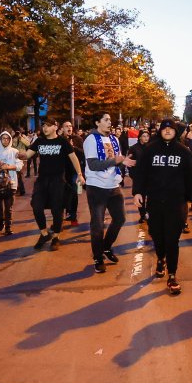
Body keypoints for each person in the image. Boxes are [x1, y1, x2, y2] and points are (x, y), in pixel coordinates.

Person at [132, 118, 192, 295]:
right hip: (154, 201)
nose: (168, 131)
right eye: (165, 129)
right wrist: (137, 192)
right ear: (160, 131)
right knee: (157, 236)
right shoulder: (150, 150)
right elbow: (141, 173)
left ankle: (172, 275)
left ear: (175, 132)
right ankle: (160, 258)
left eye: (171, 129)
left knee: (172, 240)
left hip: (176, 202)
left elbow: (190, 177)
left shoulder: (183, 151)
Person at [19, 118, 85, 252]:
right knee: (36, 206)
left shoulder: (62, 142)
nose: (45, 128)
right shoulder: (39, 141)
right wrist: (19, 155)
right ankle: (44, 234)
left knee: (57, 210)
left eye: (48, 125)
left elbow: (74, 158)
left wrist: (79, 174)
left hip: (58, 180)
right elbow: (27, 155)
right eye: (43, 125)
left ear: (55, 127)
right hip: (42, 180)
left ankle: (55, 237)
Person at [83, 112, 136, 273]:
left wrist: (123, 163)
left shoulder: (114, 139)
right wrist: (117, 161)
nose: (109, 122)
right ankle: (98, 258)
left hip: (113, 185)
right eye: (106, 120)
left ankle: (106, 247)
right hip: (96, 187)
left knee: (120, 218)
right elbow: (93, 164)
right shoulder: (90, 140)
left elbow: (117, 160)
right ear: (97, 122)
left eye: (110, 120)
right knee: (97, 224)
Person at [0, 130, 24, 235]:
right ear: (0, 139)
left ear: (10, 139)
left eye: (7, 138)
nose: (5, 140)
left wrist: (9, 167)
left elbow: (20, 166)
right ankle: (1, 219)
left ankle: (8, 226)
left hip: (11, 184)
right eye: (3, 138)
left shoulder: (14, 152)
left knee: (8, 207)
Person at [61, 119, 84, 225]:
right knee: (63, 193)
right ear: (62, 129)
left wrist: (72, 147)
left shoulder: (78, 139)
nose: (69, 128)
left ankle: (73, 216)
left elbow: (83, 153)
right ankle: (65, 214)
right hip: (62, 171)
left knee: (75, 192)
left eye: (70, 126)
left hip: (75, 171)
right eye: (66, 126)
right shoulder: (59, 140)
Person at [128, 130, 151, 223]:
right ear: (140, 137)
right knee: (140, 196)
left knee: (150, 197)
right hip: (138, 177)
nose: (146, 138)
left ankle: (148, 213)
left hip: (149, 177)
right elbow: (129, 163)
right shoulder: (134, 148)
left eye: (147, 136)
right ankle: (142, 215)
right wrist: (133, 175)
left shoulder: (151, 147)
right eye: (144, 136)